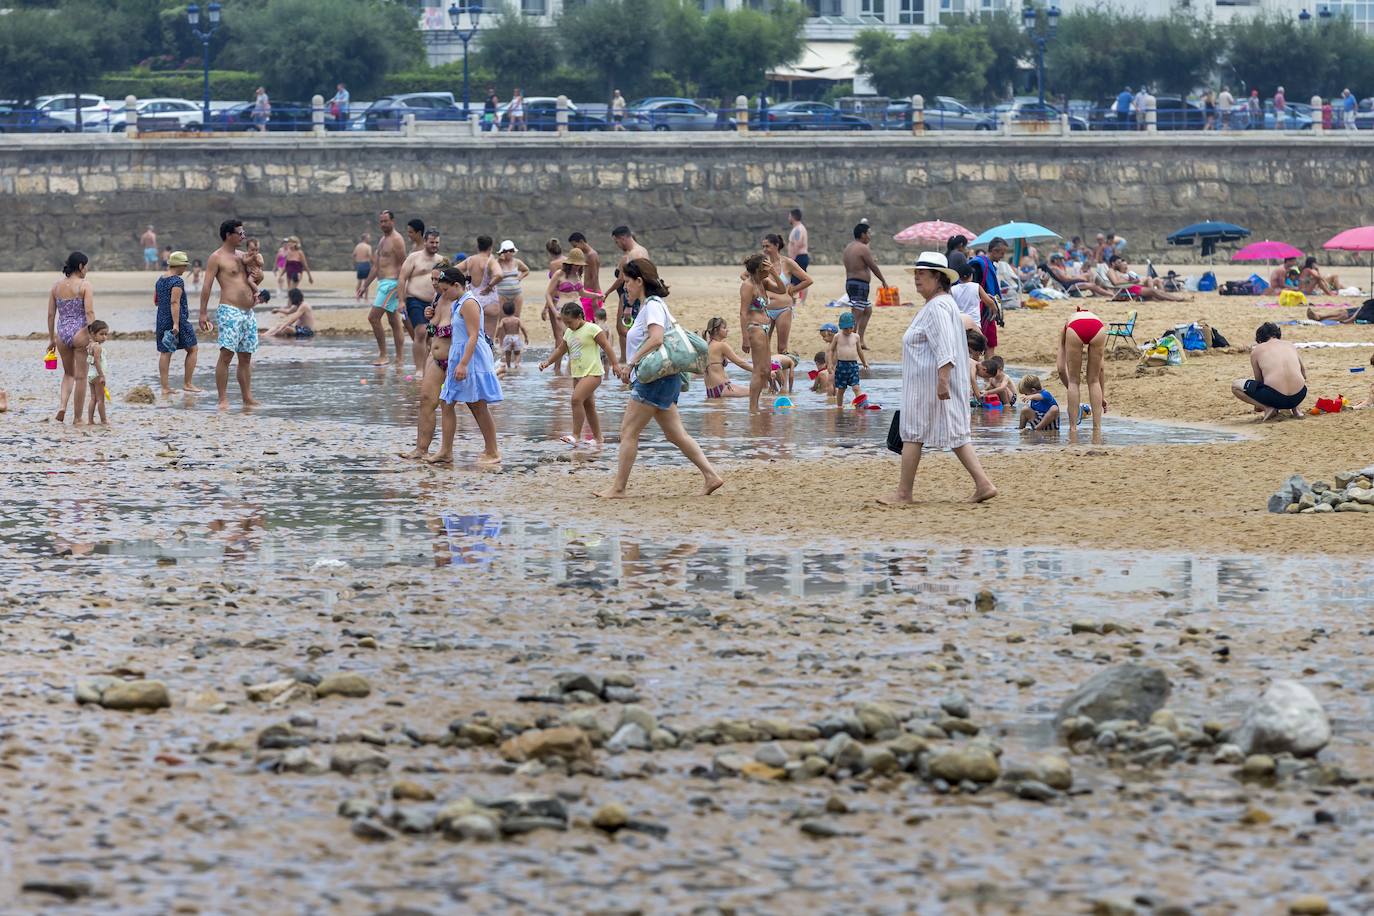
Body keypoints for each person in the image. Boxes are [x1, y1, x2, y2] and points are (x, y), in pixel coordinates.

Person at [596, 259, 723, 499]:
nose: (625, 288)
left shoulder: (653, 306)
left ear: (639, 281)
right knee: (675, 434)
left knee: (628, 432)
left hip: (656, 379)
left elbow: (656, 338)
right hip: (665, 378)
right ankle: (711, 476)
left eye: (627, 283)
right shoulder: (649, 306)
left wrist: (631, 363)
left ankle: (619, 488)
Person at [881, 252, 996, 506]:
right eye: (916, 273)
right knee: (944, 433)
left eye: (922, 274)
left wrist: (943, 380)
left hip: (929, 385)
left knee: (915, 432)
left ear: (938, 277)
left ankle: (904, 494)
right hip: (927, 383)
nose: (916, 278)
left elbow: (945, 345)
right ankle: (983, 484)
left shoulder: (938, 306)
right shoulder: (940, 304)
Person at [433, 266, 503, 465]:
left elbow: (474, 335)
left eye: (446, 290)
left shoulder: (469, 303)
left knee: (478, 405)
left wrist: (463, 364)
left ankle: (493, 451)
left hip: (472, 359)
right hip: (461, 356)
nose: (443, 294)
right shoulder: (458, 302)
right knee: (446, 402)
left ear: (457, 285)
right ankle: (445, 451)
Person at [199, 218, 263, 409]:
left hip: (248, 312)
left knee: (246, 357)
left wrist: (260, 277)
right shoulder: (217, 257)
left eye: (244, 233)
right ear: (229, 235)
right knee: (226, 355)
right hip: (229, 310)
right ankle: (223, 399)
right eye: (240, 233)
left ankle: (247, 397)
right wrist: (203, 313)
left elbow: (252, 280)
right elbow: (207, 285)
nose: (243, 236)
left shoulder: (244, 256)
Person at [540, 301, 619, 447]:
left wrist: (615, 364)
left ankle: (576, 435)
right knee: (589, 405)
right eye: (565, 322)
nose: (567, 325)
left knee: (576, 399)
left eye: (569, 322)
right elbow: (560, 350)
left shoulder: (592, 329)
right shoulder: (569, 332)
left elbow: (607, 346)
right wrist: (548, 362)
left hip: (593, 373)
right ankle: (598, 438)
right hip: (578, 374)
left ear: (579, 317)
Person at [401, 263, 458, 462]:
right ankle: (421, 449)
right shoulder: (437, 299)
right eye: (432, 279)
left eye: (438, 280)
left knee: (464, 406)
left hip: (454, 361)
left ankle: (448, 451)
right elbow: (432, 331)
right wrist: (430, 316)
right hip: (434, 359)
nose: (434, 284)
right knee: (426, 400)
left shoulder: (461, 301)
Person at [48, 251, 96, 424]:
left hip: (62, 333)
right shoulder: (85, 285)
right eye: (86, 266)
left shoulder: (56, 287)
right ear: (81, 266)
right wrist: (93, 337)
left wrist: (51, 339)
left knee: (68, 373)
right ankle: (77, 418)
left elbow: (51, 315)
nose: (87, 269)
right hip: (80, 332)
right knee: (81, 377)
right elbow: (89, 312)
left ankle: (62, 406)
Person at [357, 210, 408, 366]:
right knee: (394, 321)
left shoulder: (397, 240)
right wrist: (365, 285)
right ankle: (399, 358)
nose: (383, 224)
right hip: (382, 283)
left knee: (373, 318)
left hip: (392, 284)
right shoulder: (382, 240)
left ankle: (383, 355)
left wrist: (401, 291)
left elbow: (403, 265)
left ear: (393, 221)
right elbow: (376, 266)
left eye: (386, 221)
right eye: (381, 221)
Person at [740, 252, 789, 411]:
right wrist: (745, 338)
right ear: (758, 270)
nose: (769, 270)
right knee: (758, 369)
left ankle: (758, 403)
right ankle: (753, 407)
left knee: (767, 369)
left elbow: (782, 290)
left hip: (765, 326)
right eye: (767, 268)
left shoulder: (764, 281)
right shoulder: (748, 286)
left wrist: (774, 272)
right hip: (755, 328)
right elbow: (743, 312)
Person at [1232, 322, 1307, 421]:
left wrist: (1258, 404)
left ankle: (1267, 408)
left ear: (1260, 338)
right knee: (1292, 379)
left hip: (1275, 398)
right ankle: (1296, 409)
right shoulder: (1290, 345)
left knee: (1235, 386)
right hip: (1299, 395)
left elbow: (1259, 381)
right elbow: (1304, 374)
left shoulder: (1257, 350)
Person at [398, 228, 442, 376]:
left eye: (437, 242)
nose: (434, 245)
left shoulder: (441, 261)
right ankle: (419, 369)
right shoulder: (414, 258)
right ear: (424, 241)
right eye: (431, 242)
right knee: (421, 332)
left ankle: (427, 367)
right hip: (415, 300)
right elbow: (402, 278)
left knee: (430, 335)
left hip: (434, 304)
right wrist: (401, 301)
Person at [600, 226, 649, 362]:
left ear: (623, 238)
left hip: (633, 297)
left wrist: (629, 304)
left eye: (616, 242)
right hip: (640, 296)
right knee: (633, 330)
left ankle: (632, 359)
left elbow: (633, 280)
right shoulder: (642, 250)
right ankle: (631, 358)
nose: (617, 245)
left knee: (629, 330)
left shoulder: (633, 255)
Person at [1058, 306, 1106, 441]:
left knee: (1074, 381)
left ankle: (1073, 429)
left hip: (1075, 329)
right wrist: (1102, 396)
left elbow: (1061, 369)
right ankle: (1097, 428)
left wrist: (1071, 388)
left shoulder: (1068, 323)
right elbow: (1101, 369)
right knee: (1094, 380)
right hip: (1098, 328)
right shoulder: (1095, 317)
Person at [156, 251, 200, 396]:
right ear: (179, 265)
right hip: (177, 319)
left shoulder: (160, 279)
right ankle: (187, 384)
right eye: (185, 265)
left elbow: (156, 301)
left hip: (161, 318)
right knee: (193, 348)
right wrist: (176, 324)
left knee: (165, 351)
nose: (186, 269)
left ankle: (165, 387)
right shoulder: (177, 281)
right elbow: (174, 302)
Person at [761, 232, 812, 354]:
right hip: (766, 309)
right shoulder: (762, 264)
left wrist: (793, 290)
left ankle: (784, 373)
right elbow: (746, 276)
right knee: (763, 346)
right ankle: (767, 373)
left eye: (767, 246)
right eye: (763, 246)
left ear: (776, 245)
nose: (764, 250)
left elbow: (808, 280)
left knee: (782, 348)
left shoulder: (787, 263)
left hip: (783, 310)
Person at [543, 247, 592, 373]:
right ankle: (559, 369)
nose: (577, 267)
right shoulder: (559, 274)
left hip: (578, 310)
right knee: (568, 339)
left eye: (579, 265)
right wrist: (554, 312)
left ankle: (572, 370)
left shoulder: (577, 275)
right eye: (575, 264)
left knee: (580, 339)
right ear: (569, 263)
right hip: (562, 311)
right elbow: (548, 294)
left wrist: (596, 295)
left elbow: (582, 293)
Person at [842, 222, 888, 350]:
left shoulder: (849, 248)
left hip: (851, 283)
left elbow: (860, 263)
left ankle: (859, 340)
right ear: (862, 234)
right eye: (868, 233)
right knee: (856, 314)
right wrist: (883, 280)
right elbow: (873, 266)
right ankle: (850, 342)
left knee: (867, 310)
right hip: (859, 285)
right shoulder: (863, 248)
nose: (870, 236)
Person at [461, 236, 503, 341]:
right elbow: (499, 275)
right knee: (488, 339)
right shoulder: (490, 261)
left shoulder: (470, 260)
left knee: (471, 338)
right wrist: (490, 286)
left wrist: (464, 283)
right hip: (489, 301)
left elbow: (453, 270)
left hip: (472, 301)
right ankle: (488, 357)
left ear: (477, 246)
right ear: (490, 247)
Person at [969, 239, 1006, 357]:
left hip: (988, 311)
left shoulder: (987, 265)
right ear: (994, 251)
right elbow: (974, 287)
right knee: (976, 345)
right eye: (1002, 253)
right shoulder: (979, 265)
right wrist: (988, 300)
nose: (1002, 256)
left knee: (989, 343)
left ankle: (986, 373)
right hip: (980, 311)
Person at [701, 317, 752, 400]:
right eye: (724, 328)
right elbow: (740, 363)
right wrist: (759, 371)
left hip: (711, 391)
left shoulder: (707, 346)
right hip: (723, 388)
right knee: (756, 393)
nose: (727, 330)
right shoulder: (721, 345)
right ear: (716, 331)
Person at [827, 311, 869, 408]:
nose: (849, 330)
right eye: (846, 328)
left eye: (851, 327)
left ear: (853, 326)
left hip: (853, 365)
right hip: (841, 365)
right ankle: (839, 406)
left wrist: (864, 362)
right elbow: (831, 350)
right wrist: (830, 364)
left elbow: (859, 351)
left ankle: (861, 404)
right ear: (841, 327)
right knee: (841, 389)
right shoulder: (837, 336)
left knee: (856, 387)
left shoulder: (856, 337)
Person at [1106, 256, 1186, 301]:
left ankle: (1175, 298)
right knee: (1153, 291)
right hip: (1128, 289)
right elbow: (1116, 283)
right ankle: (1177, 299)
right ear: (1113, 263)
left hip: (1130, 287)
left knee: (1154, 291)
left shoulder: (1117, 271)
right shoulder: (1110, 271)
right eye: (1118, 263)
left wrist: (1132, 281)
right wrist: (1133, 282)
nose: (1120, 264)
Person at [489, 240, 529, 319]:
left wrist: (519, 278)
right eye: (506, 251)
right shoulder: (497, 263)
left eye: (511, 250)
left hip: (516, 294)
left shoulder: (517, 262)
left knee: (516, 318)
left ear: (513, 251)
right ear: (502, 252)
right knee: (502, 318)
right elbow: (490, 272)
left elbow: (526, 270)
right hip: (501, 294)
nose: (508, 253)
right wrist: (499, 259)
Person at [568, 232, 603, 315]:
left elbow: (594, 276)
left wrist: (594, 298)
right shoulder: (586, 255)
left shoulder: (592, 255)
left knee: (591, 321)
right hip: (588, 292)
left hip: (592, 291)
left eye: (575, 246)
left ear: (581, 241)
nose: (575, 248)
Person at [84, 320, 110, 426]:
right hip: (97, 375)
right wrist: (102, 375)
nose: (104, 337)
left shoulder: (90, 345)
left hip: (90, 375)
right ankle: (103, 420)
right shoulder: (98, 347)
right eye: (101, 334)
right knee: (101, 400)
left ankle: (90, 420)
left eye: (106, 334)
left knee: (93, 398)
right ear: (93, 334)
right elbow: (97, 361)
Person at [495, 301, 528, 369]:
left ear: (504, 311)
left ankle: (509, 366)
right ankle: (516, 364)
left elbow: (499, 327)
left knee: (508, 353)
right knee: (517, 353)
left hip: (507, 337)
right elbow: (522, 328)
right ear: (514, 310)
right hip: (516, 337)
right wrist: (526, 337)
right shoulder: (517, 320)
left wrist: (496, 336)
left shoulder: (504, 320)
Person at [787, 208, 810, 303]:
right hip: (799, 257)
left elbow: (798, 243)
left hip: (799, 257)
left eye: (789, 216)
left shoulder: (798, 229)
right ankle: (798, 300)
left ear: (793, 217)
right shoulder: (798, 228)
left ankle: (798, 301)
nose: (788, 218)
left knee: (797, 280)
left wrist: (793, 258)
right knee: (800, 279)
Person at [1307, 299, 1374, 324]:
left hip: (1367, 315)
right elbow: (1364, 305)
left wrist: (1352, 319)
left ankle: (1320, 318)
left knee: (1344, 316)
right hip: (1364, 310)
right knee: (1342, 311)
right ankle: (1320, 316)